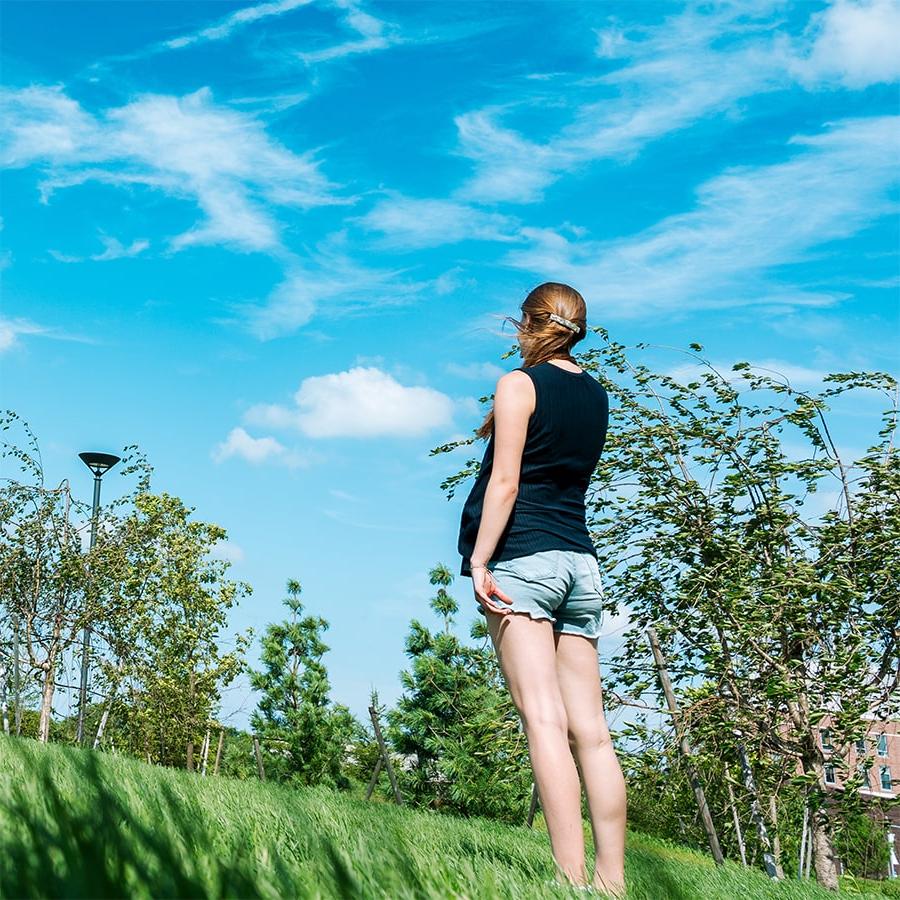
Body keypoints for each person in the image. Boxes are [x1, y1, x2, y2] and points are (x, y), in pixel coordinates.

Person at [457, 282, 626, 896]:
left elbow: (505, 484)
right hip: (581, 564)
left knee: (544, 721)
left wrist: (480, 562)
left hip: (525, 559)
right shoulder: (596, 394)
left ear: (526, 324)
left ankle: (570, 880)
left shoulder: (517, 385)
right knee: (594, 732)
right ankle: (612, 884)